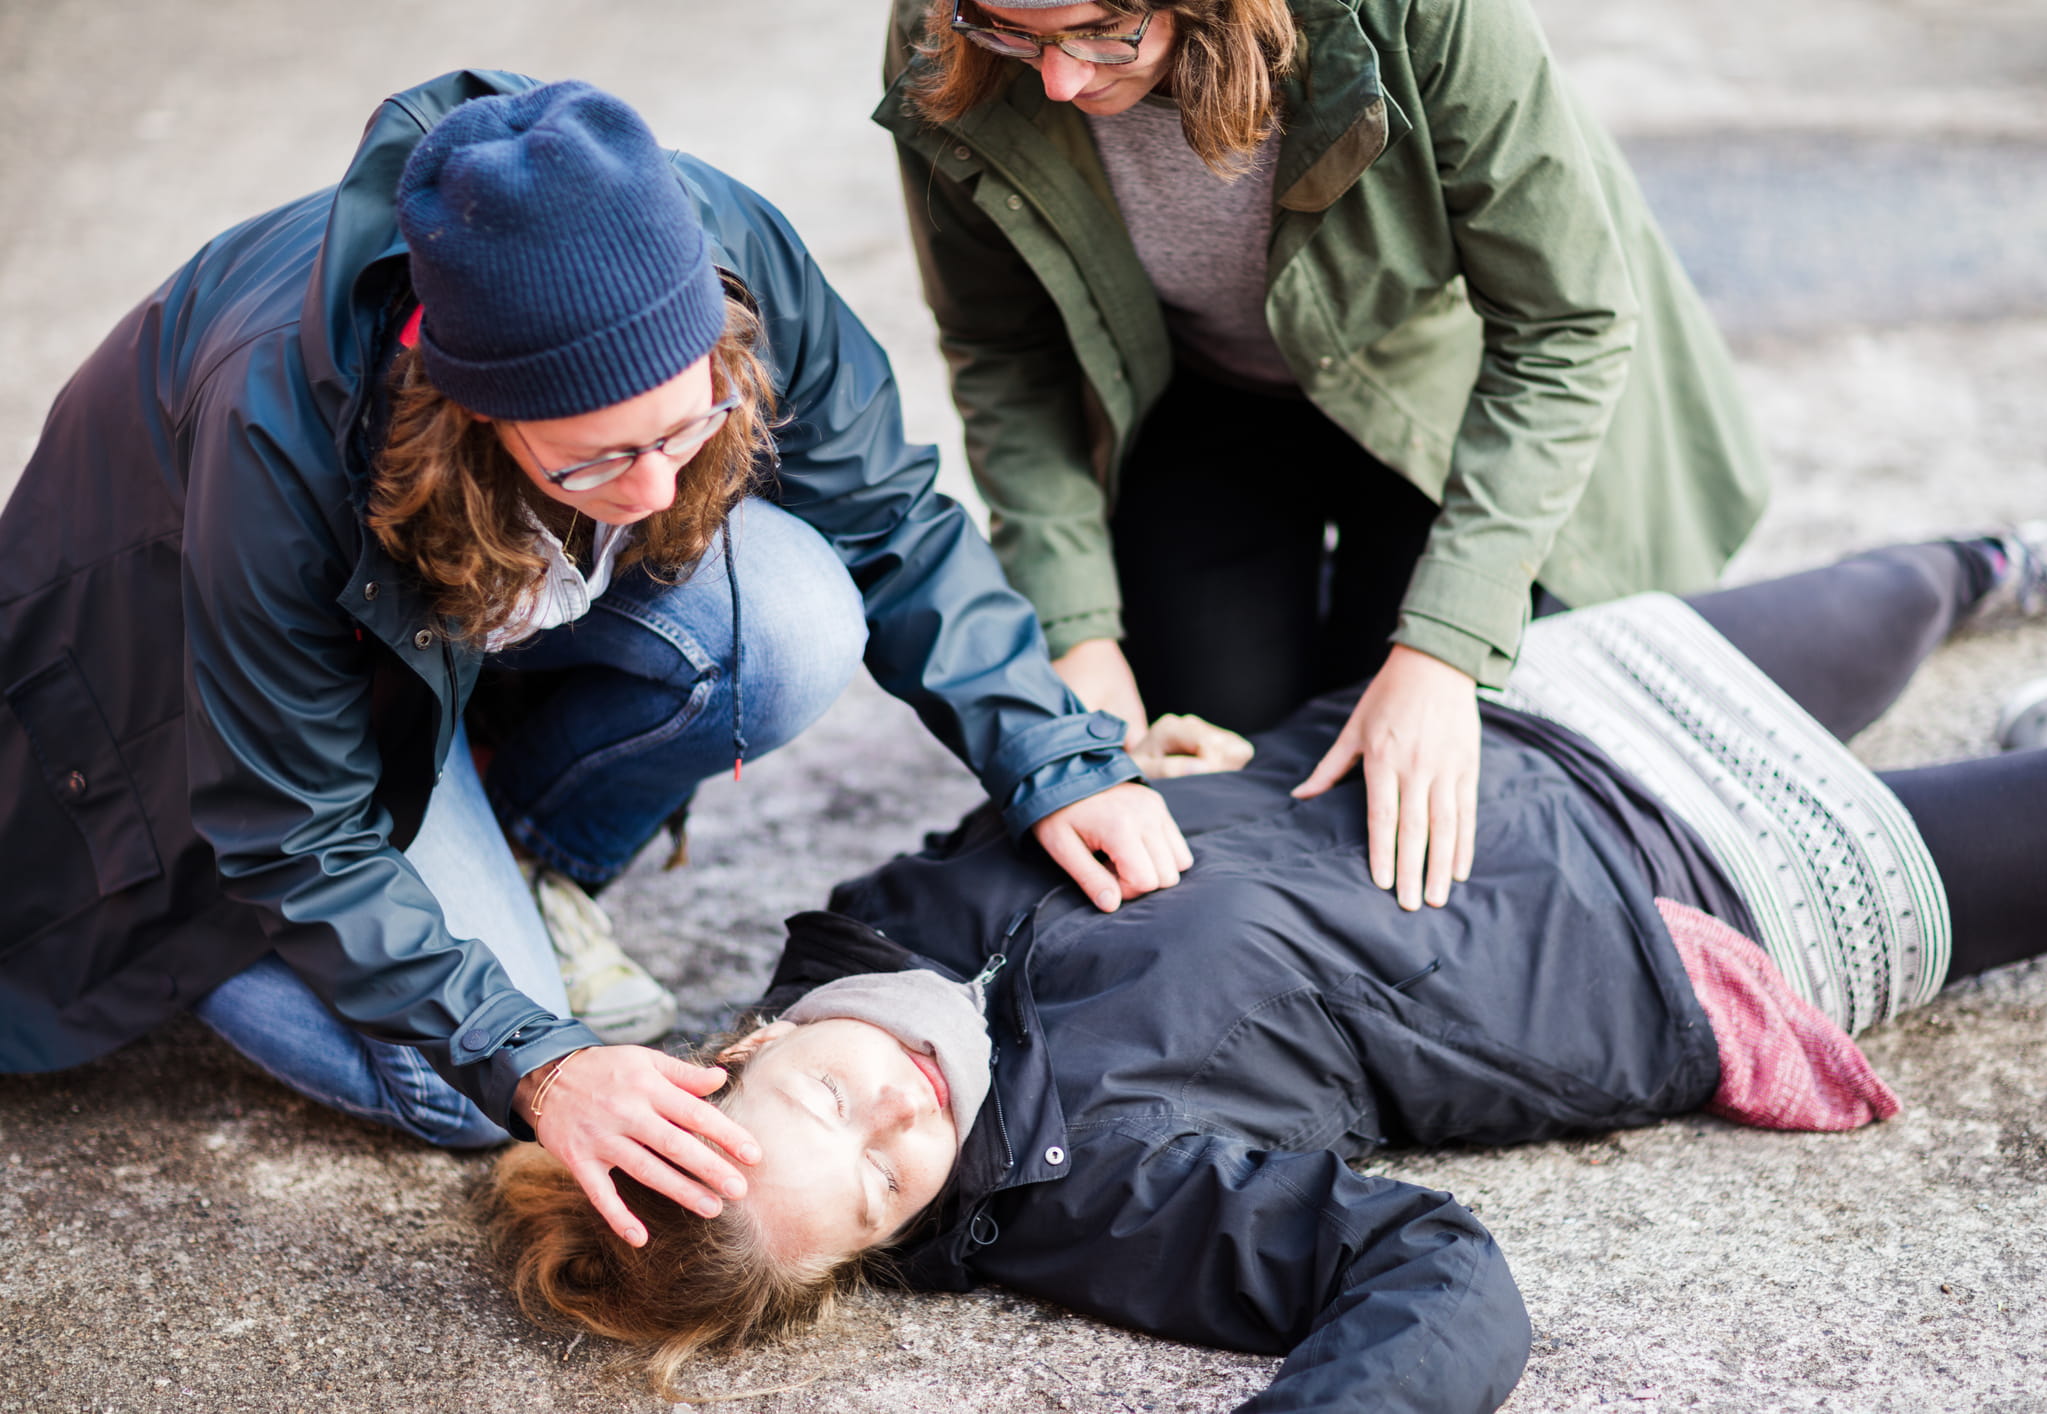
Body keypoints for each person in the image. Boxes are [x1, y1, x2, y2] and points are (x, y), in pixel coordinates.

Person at [483, 522, 2047, 1411]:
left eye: (830, 1107)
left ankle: (2017, 581)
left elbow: (1076, 809)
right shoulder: (1092, 1188)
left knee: (1908, 582)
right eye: (873, 1191)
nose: (898, 1123)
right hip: (1686, 911)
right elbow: (1434, 1274)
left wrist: (1165, 766)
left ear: (742, 1048)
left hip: (1498, 725)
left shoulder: (868, 925)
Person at [0, 72, 1191, 1250]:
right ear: (468, 411)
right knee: (470, 1095)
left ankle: (518, 851)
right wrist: (540, 1063)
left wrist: (1054, 754)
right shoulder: (274, 427)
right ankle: (205, 937)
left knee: (792, 617)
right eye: (597, 459)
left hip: (433, 649)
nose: (659, 491)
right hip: (211, 742)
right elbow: (297, 828)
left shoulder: (717, 242)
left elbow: (884, 516)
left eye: (687, 425)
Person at [877, 0, 1777, 912]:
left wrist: (1444, 649)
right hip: (1199, 394)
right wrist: (1079, 635)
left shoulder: (1418, 13)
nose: (1059, 80)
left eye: (1102, 31)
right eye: (1015, 33)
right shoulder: (947, 29)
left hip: (1443, 392)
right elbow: (1003, 348)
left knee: (1415, 787)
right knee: (1213, 776)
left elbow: (1562, 326)